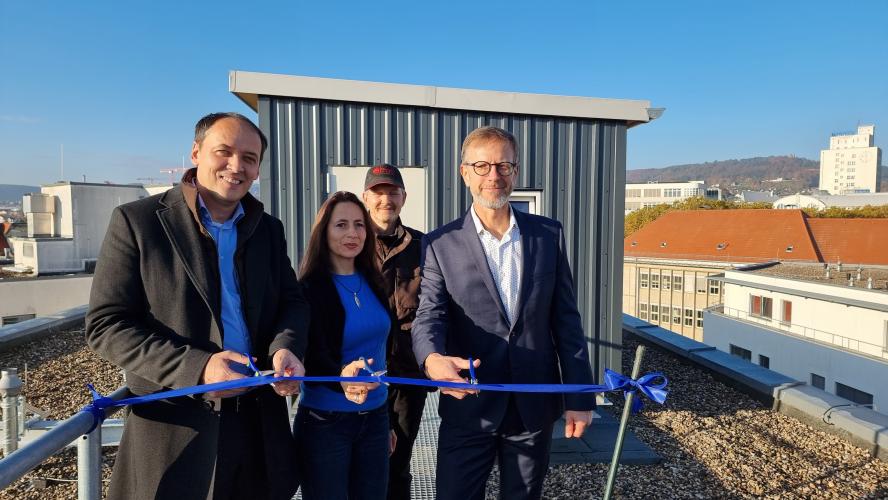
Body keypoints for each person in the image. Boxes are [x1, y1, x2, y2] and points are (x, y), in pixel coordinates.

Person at [86, 112, 309, 500]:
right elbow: (107, 325)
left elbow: (292, 302)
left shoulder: (268, 230)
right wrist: (200, 367)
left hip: (259, 429)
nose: (236, 166)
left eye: (250, 158)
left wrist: (284, 348)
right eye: (223, 152)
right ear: (195, 152)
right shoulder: (139, 222)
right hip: (177, 428)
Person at [411, 126, 596, 500]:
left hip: (532, 405)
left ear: (515, 171)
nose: (493, 176)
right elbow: (430, 314)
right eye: (481, 166)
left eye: (503, 165)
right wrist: (432, 360)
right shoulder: (439, 243)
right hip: (469, 405)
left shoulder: (548, 235)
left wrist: (580, 396)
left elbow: (566, 320)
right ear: (464, 173)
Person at [295, 190, 394, 500]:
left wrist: (386, 419)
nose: (352, 233)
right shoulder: (308, 289)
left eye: (359, 224)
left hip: (375, 418)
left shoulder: (374, 281)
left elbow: (380, 353)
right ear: (323, 232)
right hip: (326, 423)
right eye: (341, 225)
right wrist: (342, 374)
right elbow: (308, 354)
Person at [362, 164, 432, 500]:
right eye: (378, 192)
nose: (385, 199)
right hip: (360, 376)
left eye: (392, 192)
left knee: (398, 462)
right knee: (362, 463)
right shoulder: (350, 242)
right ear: (366, 198)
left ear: (403, 197)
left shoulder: (424, 246)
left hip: (406, 378)